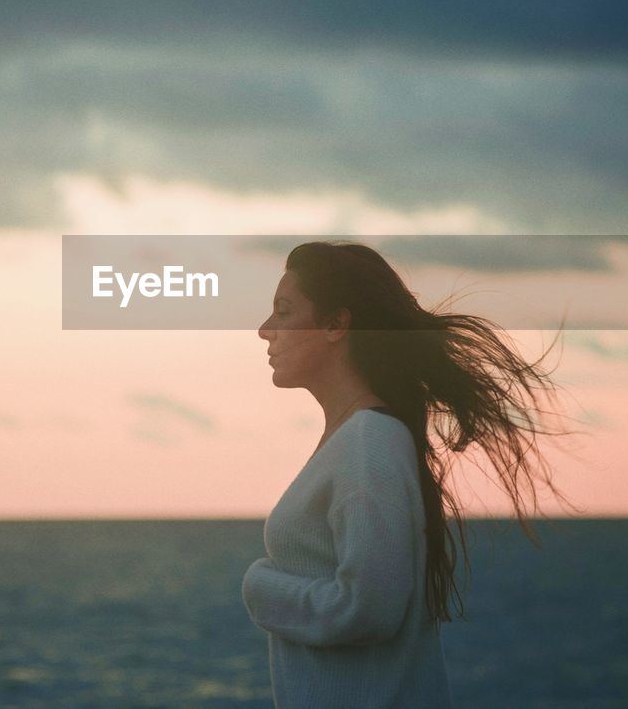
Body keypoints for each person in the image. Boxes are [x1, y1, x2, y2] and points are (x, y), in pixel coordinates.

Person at [242, 240, 580, 708]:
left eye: (283, 311)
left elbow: (368, 611)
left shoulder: (369, 443)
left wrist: (259, 588)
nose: (264, 330)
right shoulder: (357, 439)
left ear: (337, 324)